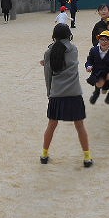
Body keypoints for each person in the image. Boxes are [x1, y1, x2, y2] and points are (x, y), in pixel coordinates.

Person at [40, 23, 93, 167]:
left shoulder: (49, 52)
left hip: (57, 93)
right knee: (80, 125)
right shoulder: (73, 49)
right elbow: (67, 58)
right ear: (69, 35)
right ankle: (87, 158)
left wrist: (49, 93)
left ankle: (44, 155)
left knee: (51, 125)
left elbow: (48, 75)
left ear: (54, 36)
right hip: (74, 93)